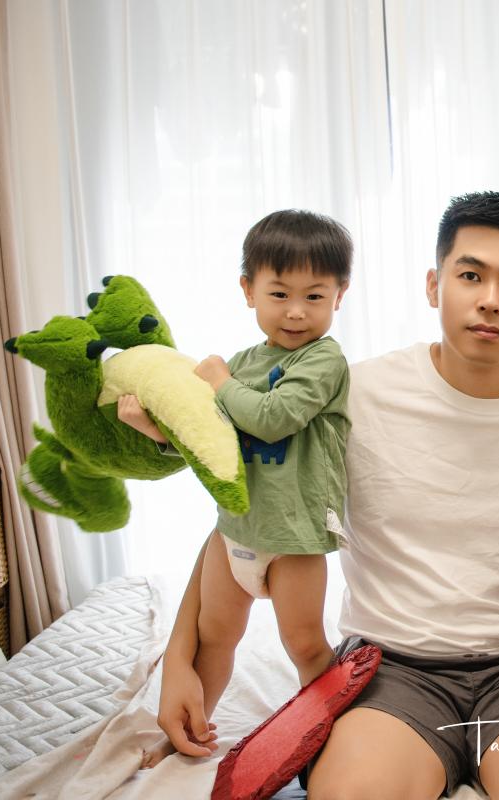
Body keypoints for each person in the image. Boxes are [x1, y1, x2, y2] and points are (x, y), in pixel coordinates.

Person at [156, 191, 499, 799]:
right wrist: (178, 660)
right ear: (433, 285)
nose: (490, 299)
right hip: (391, 672)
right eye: (470, 275)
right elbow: (252, 512)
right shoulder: (352, 394)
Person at [119, 209, 352, 768]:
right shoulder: (245, 362)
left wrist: (219, 381)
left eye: (315, 296)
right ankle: (190, 730)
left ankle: (336, 733)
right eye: (279, 293)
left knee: (305, 643)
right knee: (214, 636)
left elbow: (273, 418)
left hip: (294, 533)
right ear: (248, 291)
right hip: (236, 531)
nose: (296, 311)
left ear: (339, 296)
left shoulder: (323, 359)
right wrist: (158, 433)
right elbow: (212, 439)